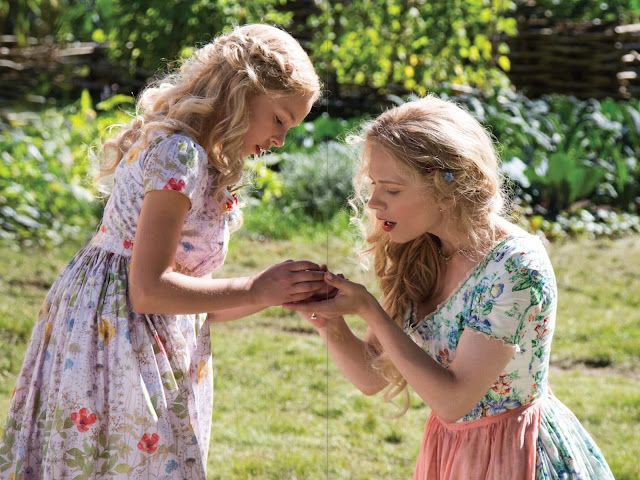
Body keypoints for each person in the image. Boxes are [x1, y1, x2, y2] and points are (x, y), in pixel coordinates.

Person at [0, 24, 324, 479]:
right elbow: (149, 291)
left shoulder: (200, 159)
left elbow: (193, 303)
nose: (280, 140)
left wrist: (277, 293)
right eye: (280, 120)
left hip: (135, 336)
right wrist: (255, 287)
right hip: (114, 344)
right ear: (243, 92)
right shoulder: (180, 154)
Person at [284, 96, 615, 479]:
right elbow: (371, 377)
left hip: (512, 453)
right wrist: (329, 321)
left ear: (448, 190)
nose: (373, 202)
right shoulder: (420, 250)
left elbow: (454, 401)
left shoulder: (515, 265)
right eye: (374, 185)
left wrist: (369, 309)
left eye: (392, 189)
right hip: (451, 452)